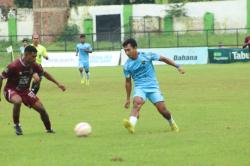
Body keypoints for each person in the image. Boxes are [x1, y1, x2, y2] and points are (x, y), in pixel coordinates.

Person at [122, 38, 185, 134]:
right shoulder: (127, 65)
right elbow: (128, 82)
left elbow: (163, 59)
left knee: (163, 110)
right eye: (125, 50)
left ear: (135, 48)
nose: (126, 52)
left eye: (128, 50)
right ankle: (131, 125)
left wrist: (178, 66)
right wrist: (127, 99)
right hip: (140, 88)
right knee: (137, 103)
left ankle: (172, 123)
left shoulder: (146, 56)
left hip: (153, 87)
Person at [0, 45, 66, 135]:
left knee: (41, 109)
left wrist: (58, 84)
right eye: (33, 56)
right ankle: (17, 125)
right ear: (26, 55)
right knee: (18, 101)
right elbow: (1, 77)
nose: (35, 59)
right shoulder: (14, 65)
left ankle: (49, 129)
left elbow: (45, 73)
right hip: (11, 90)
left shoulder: (34, 65)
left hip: (25, 91)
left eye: (36, 56)